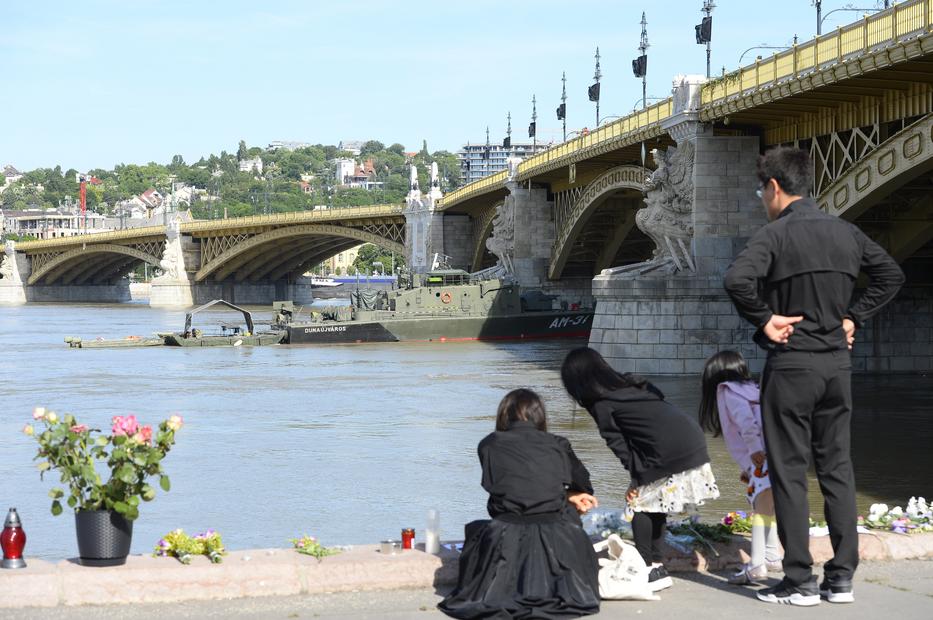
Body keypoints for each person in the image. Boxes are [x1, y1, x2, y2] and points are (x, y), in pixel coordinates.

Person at [723, 146, 905, 606]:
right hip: (836, 368)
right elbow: (890, 275)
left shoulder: (774, 235)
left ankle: (799, 579)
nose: (763, 199)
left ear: (774, 187)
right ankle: (840, 579)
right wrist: (854, 317)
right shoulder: (847, 232)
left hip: (791, 365)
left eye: (762, 190)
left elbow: (737, 280)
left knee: (788, 473)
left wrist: (765, 319)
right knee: (837, 469)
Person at [560, 347, 719, 593]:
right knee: (656, 503)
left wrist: (635, 477)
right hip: (690, 437)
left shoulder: (601, 402)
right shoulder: (631, 384)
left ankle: (645, 568)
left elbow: (618, 443)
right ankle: (656, 566)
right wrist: (639, 477)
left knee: (640, 506)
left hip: (666, 448)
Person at [438, 389, 600, 619]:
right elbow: (583, 484)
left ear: (503, 415)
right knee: (569, 515)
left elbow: (507, 489)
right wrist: (571, 494)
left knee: (479, 528)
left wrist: (565, 495)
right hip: (557, 537)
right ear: (540, 416)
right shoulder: (558, 444)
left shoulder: (489, 445)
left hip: (504, 535)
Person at [700, 350, 781, 585]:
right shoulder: (753, 388)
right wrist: (749, 467)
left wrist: (755, 452)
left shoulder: (728, 391)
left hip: (762, 456)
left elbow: (746, 422)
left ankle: (757, 565)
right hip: (776, 453)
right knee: (768, 507)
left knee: (760, 508)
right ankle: (772, 556)